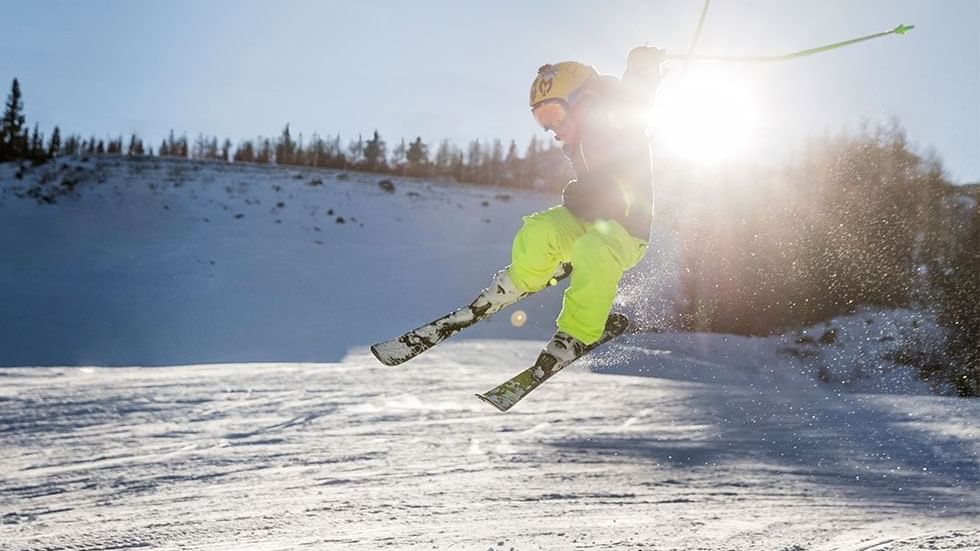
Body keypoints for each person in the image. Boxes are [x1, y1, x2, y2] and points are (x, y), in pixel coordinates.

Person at [473, 47, 666, 362]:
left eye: (553, 114)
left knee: (594, 250)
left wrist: (643, 66)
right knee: (539, 229)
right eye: (541, 120)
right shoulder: (575, 144)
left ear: (584, 100)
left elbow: (636, 98)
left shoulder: (616, 120)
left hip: (625, 231)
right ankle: (518, 281)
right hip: (589, 222)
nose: (551, 128)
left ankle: (578, 333)